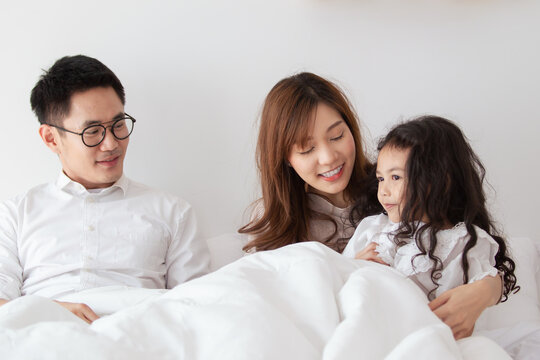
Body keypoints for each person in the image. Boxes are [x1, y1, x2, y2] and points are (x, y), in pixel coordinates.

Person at [239, 72, 506, 339]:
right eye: (307, 149)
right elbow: (269, 306)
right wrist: (347, 270)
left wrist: (484, 292)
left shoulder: (395, 190)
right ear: (285, 158)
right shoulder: (275, 219)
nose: (328, 157)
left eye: (336, 136)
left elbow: (467, 244)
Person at [0, 55, 209, 323]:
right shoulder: (16, 215)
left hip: (139, 336)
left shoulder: (173, 212)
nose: (111, 144)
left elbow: (200, 305)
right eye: (93, 131)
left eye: (118, 125)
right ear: (51, 138)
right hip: (45, 336)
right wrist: (53, 312)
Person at [342, 116, 519, 305]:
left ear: (439, 181)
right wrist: (353, 265)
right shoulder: (372, 228)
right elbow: (334, 283)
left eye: (395, 177)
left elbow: (454, 311)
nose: (383, 192)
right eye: (380, 179)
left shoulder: (462, 243)